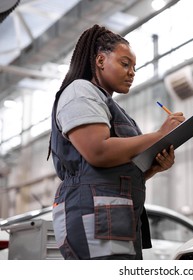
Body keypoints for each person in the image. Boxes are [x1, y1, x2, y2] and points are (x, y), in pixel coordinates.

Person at [47, 24, 185, 260]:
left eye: (134, 67)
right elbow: (98, 152)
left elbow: (113, 172)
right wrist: (160, 135)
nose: (132, 72)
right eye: (125, 63)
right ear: (100, 60)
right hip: (94, 215)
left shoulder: (107, 105)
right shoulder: (80, 91)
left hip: (113, 216)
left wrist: (152, 168)